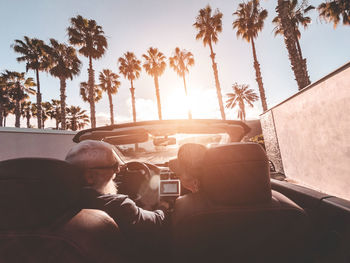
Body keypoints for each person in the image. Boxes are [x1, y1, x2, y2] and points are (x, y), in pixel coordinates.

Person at [65, 140, 166, 233]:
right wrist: (164, 205)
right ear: (89, 177)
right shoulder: (119, 205)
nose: (118, 171)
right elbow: (157, 221)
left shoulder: (61, 201)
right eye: (114, 166)